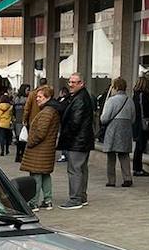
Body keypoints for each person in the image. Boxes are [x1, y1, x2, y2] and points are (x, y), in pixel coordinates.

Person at [57, 72, 96, 208]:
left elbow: (75, 122)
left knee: (75, 169)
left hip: (78, 140)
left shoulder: (80, 99)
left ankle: (75, 198)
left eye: (74, 82)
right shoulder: (78, 97)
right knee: (81, 169)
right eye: (70, 82)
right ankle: (81, 196)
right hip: (81, 139)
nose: (71, 85)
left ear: (81, 83)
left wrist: (66, 136)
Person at [20, 85, 60, 210]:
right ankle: (47, 200)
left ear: (47, 97)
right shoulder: (51, 110)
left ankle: (34, 202)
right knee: (45, 175)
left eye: (39, 96)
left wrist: (30, 142)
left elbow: (41, 133)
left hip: (39, 149)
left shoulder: (47, 112)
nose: (36, 99)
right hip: (46, 149)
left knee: (36, 176)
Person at [99, 76, 136, 188]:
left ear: (115, 87)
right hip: (126, 129)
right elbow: (133, 118)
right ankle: (127, 178)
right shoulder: (130, 100)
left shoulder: (111, 100)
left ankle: (111, 180)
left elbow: (104, 118)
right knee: (124, 155)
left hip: (113, 128)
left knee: (111, 155)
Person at [131, 75, 149, 177]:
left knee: (139, 146)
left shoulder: (136, 95)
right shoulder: (144, 95)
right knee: (140, 146)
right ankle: (138, 169)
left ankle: (137, 168)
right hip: (143, 123)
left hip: (137, 123)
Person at [13, 83, 31, 163]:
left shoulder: (16, 99)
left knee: (19, 139)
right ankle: (22, 155)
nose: (29, 91)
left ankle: (18, 155)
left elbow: (13, 110)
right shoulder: (27, 99)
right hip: (23, 121)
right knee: (23, 139)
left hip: (17, 121)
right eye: (28, 90)